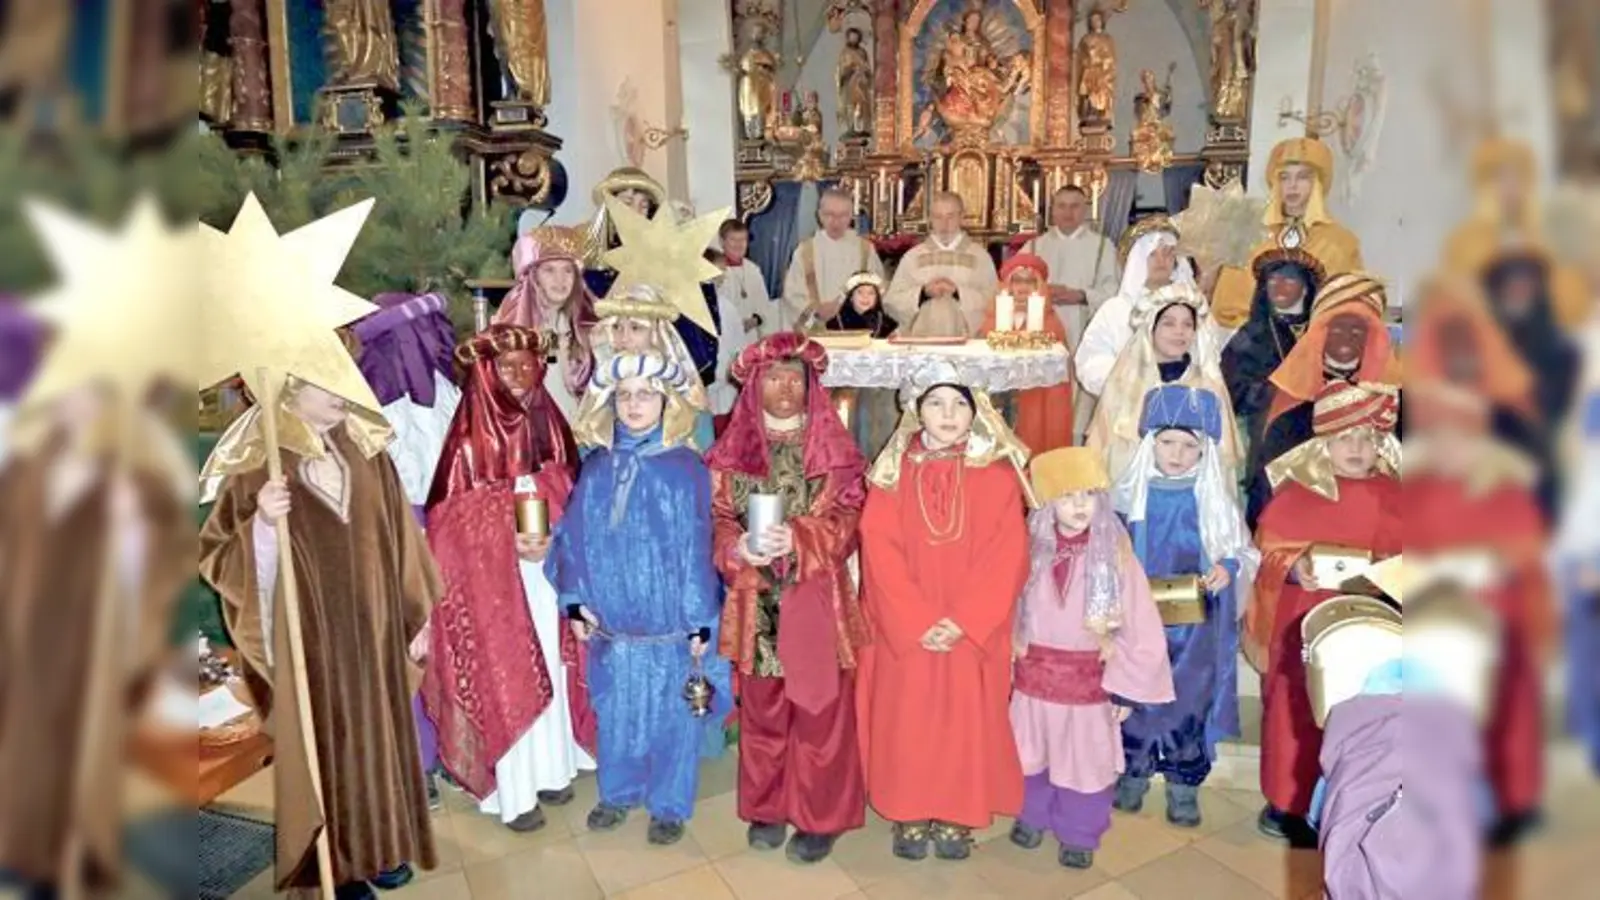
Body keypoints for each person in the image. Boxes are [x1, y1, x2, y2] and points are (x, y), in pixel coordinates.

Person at [199, 380, 439, 897]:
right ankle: (336, 863)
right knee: (326, 748)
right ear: (287, 390)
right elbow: (219, 556)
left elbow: (401, 534)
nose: (341, 391)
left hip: (373, 632)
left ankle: (378, 845)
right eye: (322, 383)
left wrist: (418, 615)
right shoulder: (259, 463)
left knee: (378, 740)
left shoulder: (363, 448)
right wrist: (261, 522)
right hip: (312, 641)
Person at [0, 388, 191, 897]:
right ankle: (33, 851)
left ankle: (78, 856)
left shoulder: (137, 473)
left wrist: (131, 526)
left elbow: (165, 558)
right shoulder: (29, 466)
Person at [546, 352, 734, 846]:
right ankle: (618, 791)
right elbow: (572, 538)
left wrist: (701, 622)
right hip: (614, 627)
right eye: (624, 395)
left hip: (671, 626)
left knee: (675, 716)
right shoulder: (596, 469)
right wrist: (574, 599)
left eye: (645, 395)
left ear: (666, 403)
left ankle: (670, 803)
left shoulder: (685, 468)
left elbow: (698, 549)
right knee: (618, 712)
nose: (633, 405)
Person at [420, 326, 597, 833]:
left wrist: (553, 523)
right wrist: (504, 533)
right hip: (495, 587)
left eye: (529, 364)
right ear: (486, 373)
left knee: (555, 666)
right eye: (508, 367)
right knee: (509, 674)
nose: (521, 377)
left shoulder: (549, 421)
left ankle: (555, 765)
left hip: (546, 579)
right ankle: (516, 790)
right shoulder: (468, 444)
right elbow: (449, 528)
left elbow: (569, 489)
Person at [706, 333, 870, 864]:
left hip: (816, 597)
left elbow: (850, 521)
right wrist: (738, 547)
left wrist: (799, 539)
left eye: (793, 380)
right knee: (763, 713)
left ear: (809, 386)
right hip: (757, 604)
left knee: (821, 714)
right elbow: (716, 519)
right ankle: (766, 807)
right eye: (772, 379)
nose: (782, 390)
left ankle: (822, 816)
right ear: (753, 386)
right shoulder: (729, 455)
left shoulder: (836, 454)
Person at [857, 363, 1031, 861]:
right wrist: (915, 620)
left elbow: (1008, 553)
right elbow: (879, 547)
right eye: (936, 403)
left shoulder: (996, 476)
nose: (948, 414)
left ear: (975, 412)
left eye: (958, 404)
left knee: (964, 722)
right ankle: (909, 811)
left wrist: (965, 620)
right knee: (907, 721)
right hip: (906, 629)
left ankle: (957, 812)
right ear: (915, 411)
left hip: (969, 630)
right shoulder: (891, 473)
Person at [1246, 381, 1402, 846]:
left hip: (1371, 628)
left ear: (1382, 445)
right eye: (1344, 439)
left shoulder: (1397, 496)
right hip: (1303, 625)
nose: (1356, 449)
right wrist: (1295, 568)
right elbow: (1268, 552)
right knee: (1296, 709)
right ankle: (1288, 803)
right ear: (1323, 445)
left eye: (1367, 439)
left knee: (1359, 710)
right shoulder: (1296, 496)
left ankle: (1352, 796)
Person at [1403, 374, 1555, 846]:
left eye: (1461, 437)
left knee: (1506, 709)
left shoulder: (1506, 488)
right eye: (1440, 437)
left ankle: (1509, 805)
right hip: (1431, 617)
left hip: (1499, 616)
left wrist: (1482, 571)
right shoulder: (1416, 488)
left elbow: (1525, 550)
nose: (1451, 448)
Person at [1008, 447, 1174, 870]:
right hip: (1033, 680)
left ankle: (1079, 831)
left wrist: (1126, 688)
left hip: (1089, 683)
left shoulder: (1115, 555)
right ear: (1047, 503)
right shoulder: (1026, 551)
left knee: (1085, 763)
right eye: (1067, 496)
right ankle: (1033, 814)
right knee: (1031, 754)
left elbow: (1138, 622)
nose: (1079, 506)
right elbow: (1006, 610)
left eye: (1088, 495)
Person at [1109, 385, 1258, 826]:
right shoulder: (1128, 499)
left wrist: (1227, 567)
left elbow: (1239, 549)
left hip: (1194, 623)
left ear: (1204, 451)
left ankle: (1182, 779)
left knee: (1186, 699)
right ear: (1150, 442)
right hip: (1139, 618)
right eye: (1168, 442)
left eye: (1190, 445)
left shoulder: (1212, 500)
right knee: (1134, 692)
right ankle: (1133, 770)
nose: (1177, 454)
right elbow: (1108, 552)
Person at [1242, 271, 1400, 529]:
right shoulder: (1288, 403)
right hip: (1300, 534)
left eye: (1357, 328)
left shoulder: (1395, 400)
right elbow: (1269, 484)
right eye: (1337, 326)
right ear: (1318, 332)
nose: (1347, 336)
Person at [1086, 282, 1238, 483]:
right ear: (1152, 328)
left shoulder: (1208, 386)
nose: (1179, 331)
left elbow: (1221, 461)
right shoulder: (1125, 383)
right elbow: (1101, 451)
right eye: (1168, 323)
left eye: (1187, 324)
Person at [1209, 137, 1365, 329]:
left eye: (1302, 177)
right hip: (1255, 348)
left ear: (1318, 183)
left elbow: (1352, 308)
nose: (1292, 185)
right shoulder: (1251, 234)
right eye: (1284, 177)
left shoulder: (1341, 243)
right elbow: (1227, 305)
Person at [1444, 137, 1593, 329]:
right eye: (1501, 178)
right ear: (1483, 184)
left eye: (1518, 177)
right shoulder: (1465, 242)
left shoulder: (1542, 237)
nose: (1511, 187)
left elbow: (1572, 304)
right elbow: (1458, 302)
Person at [1482, 252, 1581, 517]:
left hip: (1534, 465)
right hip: (1474, 467)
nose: (1517, 294)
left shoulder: (1562, 351)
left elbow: (1551, 410)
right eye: (1509, 287)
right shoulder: (1473, 344)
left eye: (1524, 288)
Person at [1075, 217, 1200, 407]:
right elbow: (1090, 360)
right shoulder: (1115, 310)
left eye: (1167, 253)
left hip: (1182, 407)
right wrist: (1131, 377)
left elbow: (1209, 357)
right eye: (1152, 255)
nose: (1161, 261)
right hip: (1125, 410)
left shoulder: (1192, 307)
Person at [1219, 249, 1324, 475]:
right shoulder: (1250, 336)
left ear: (1305, 288)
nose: (1279, 287)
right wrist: (1274, 394)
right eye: (1273, 280)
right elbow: (1231, 389)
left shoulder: (1322, 333)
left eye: (1289, 280)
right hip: (1267, 432)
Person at [583, 282, 715, 451]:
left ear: (657, 333)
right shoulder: (602, 389)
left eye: (636, 328)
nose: (624, 338)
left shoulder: (689, 402)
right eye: (617, 327)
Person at [494, 224, 599, 421]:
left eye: (567, 270)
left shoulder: (587, 328)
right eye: (549, 270)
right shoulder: (511, 329)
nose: (560, 280)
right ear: (534, 277)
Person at [979, 253, 1074, 453]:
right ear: (1008, 285)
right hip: (1000, 395)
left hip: (1036, 398)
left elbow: (1058, 375)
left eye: (1030, 281)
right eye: (1017, 281)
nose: (1023, 287)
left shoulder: (1051, 322)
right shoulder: (992, 319)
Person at [1018, 185, 1122, 354]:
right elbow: (1014, 288)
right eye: (1062, 206)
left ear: (1085, 210)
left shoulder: (1103, 247)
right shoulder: (1033, 247)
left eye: (1074, 206)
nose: (1068, 212)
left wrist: (1082, 296)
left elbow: (1115, 293)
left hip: (1083, 328)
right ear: (1053, 211)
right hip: (1041, 329)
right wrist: (1043, 292)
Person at [808, 272, 900, 458]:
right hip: (844, 388)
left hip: (879, 388)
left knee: (879, 416)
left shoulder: (888, 324)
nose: (866, 298)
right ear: (851, 297)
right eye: (860, 293)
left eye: (870, 293)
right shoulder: (836, 323)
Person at [882, 192, 1000, 336]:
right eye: (938, 217)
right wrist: (922, 293)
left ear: (962, 217)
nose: (944, 224)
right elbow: (892, 301)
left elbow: (994, 302)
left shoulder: (980, 257)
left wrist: (958, 293)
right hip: (922, 341)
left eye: (950, 216)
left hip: (966, 343)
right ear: (930, 218)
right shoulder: (913, 257)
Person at [783, 188, 886, 331]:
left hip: (857, 329)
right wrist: (816, 310)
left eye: (842, 215)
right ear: (819, 215)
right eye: (829, 214)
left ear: (851, 216)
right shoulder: (805, 251)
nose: (835, 222)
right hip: (817, 330)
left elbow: (879, 289)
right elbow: (792, 293)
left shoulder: (865, 250)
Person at [716, 218, 775, 338]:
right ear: (722, 242)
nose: (739, 244)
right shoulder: (714, 270)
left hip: (750, 336)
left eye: (743, 239)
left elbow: (764, 305)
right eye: (733, 239)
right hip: (724, 337)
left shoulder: (753, 269)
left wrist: (755, 320)